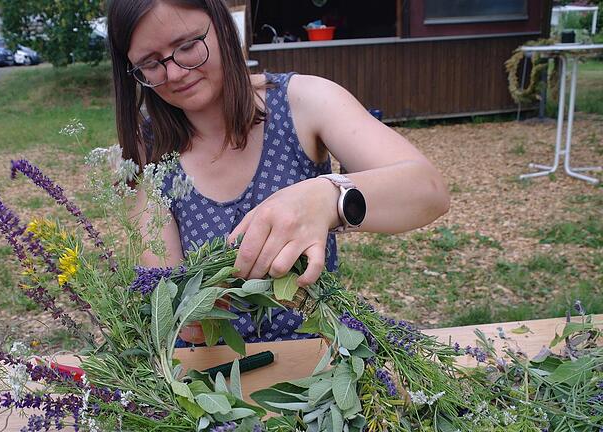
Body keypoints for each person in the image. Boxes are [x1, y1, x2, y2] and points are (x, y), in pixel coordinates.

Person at [107, 0, 450, 344]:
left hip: (321, 365)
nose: (175, 72)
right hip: (210, 382)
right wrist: (193, 307)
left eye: (188, 46)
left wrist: (327, 196)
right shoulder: (148, 149)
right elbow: (168, 307)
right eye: (151, 64)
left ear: (224, 27)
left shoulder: (305, 101)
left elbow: (429, 190)